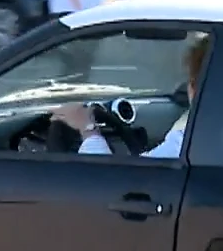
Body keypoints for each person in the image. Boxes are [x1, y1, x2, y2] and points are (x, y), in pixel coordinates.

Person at [58, 34, 211, 159]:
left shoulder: (187, 144)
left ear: (193, 88)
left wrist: (87, 128)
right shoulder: (219, 138)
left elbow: (114, 183)